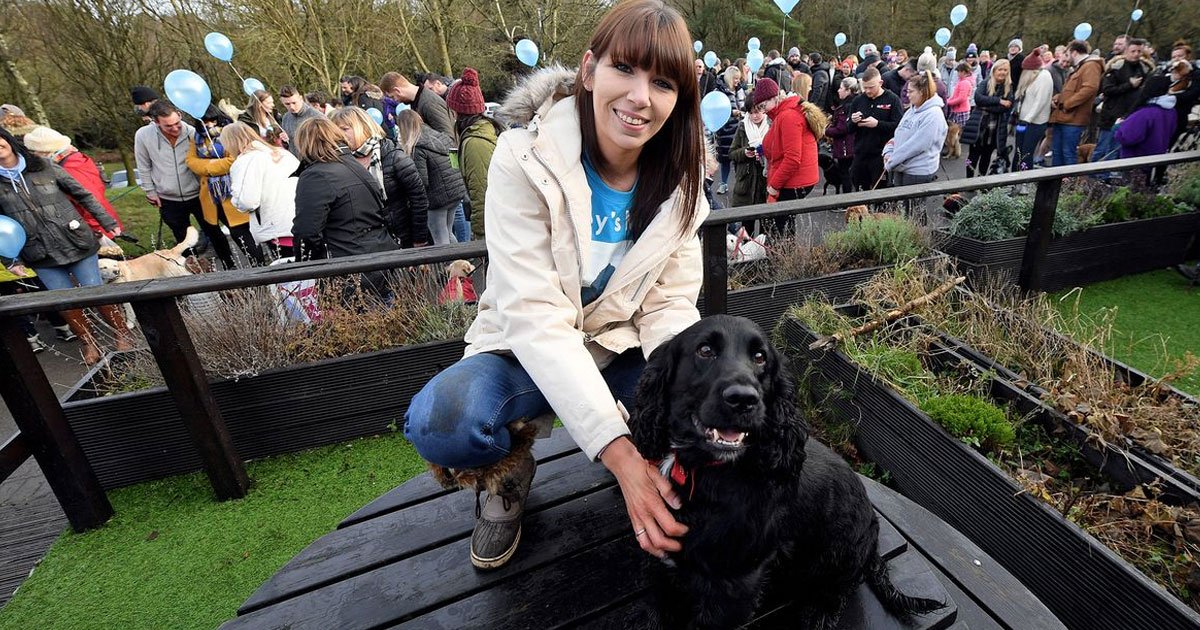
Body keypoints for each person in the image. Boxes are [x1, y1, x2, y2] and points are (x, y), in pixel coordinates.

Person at [404, 0, 707, 571]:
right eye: (626, 70)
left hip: (618, 347)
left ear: (679, 100)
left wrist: (683, 395)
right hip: (521, 348)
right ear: (589, 70)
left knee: (695, 405)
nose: (641, 97)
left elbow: (669, 306)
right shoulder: (522, 159)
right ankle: (507, 475)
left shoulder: (683, 184)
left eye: (663, 82)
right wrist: (618, 454)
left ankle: (658, 466)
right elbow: (536, 318)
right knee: (443, 421)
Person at [0, 127, 132, 364]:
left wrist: (106, 221)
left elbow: (83, 194)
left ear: (8, 140)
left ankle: (122, 333)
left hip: (75, 240)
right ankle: (89, 342)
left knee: (94, 291)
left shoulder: (42, 165)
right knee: (62, 300)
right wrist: (10, 259)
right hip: (38, 251)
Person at [290, 117, 398, 296]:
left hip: (349, 263)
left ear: (304, 143)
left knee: (359, 319)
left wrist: (308, 266)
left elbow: (307, 231)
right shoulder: (352, 163)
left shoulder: (316, 175)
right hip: (380, 253)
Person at [329, 106, 431, 249]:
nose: (340, 135)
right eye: (336, 131)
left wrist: (419, 240)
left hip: (402, 237)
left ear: (362, 127)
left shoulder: (394, 156)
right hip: (364, 243)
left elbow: (419, 199)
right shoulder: (340, 161)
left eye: (345, 129)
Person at [134, 101, 217, 249]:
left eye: (177, 123)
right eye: (168, 126)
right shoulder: (143, 136)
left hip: (198, 193)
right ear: (156, 122)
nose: (175, 128)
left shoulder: (192, 132)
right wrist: (150, 191)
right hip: (168, 198)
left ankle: (229, 264)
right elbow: (143, 165)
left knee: (214, 232)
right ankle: (191, 268)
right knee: (182, 241)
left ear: (179, 115)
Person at [188, 106, 262, 267]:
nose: (209, 125)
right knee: (223, 233)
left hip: (233, 192)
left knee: (244, 234)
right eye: (205, 122)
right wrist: (215, 166)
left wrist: (207, 167)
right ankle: (231, 267)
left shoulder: (230, 133)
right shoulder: (197, 138)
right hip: (212, 197)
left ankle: (259, 265)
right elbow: (191, 162)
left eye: (212, 121)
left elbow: (233, 159)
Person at [22, 126, 124, 238]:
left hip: (96, 228)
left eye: (34, 151)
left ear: (45, 150)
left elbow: (90, 198)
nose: (32, 155)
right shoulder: (76, 159)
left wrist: (95, 231)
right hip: (97, 224)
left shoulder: (70, 167)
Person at [221, 122, 300, 257]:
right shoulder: (282, 153)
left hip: (276, 226)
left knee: (292, 271)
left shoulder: (244, 162)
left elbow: (247, 201)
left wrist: (235, 200)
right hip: (301, 218)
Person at [758, 77, 826, 233]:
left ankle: (783, 256)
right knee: (784, 224)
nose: (763, 110)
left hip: (794, 181)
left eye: (764, 105)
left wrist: (774, 187)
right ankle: (785, 254)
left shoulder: (788, 116)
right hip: (796, 179)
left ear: (774, 98)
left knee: (781, 227)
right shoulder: (785, 113)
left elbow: (793, 159)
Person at [394, 109, 466, 245]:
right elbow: (455, 163)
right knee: (448, 232)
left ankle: (448, 264)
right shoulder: (441, 136)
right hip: (455, 191)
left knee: (440, 237)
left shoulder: (417, 147)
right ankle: (460, 262)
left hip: (437, 198)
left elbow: (422, 180)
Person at [446, 67, 503, 239]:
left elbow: (481, 193)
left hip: (493, 232)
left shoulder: (475, 143)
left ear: (456, 112)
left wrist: (479, 235)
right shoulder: (479, 134)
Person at [883, 70, 948, 186]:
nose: (907, 95)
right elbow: (899, 133)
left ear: (922, 92)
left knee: (910, 205)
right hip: (900, 167)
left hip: (917, 172)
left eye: (910, 91)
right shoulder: (912, 110)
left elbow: (917, 145)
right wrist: (888, 151)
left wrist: (892, 161)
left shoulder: (933, 115)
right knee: (898, 203)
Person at [1094, 38, 1154, 162]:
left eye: (1139, 51)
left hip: (1130, 115)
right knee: (1103, 148)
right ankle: (1092, 176)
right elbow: (1107, 90)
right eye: (1133, 51)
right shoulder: (1116, 67)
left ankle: (1110, 175)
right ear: (1126, 51)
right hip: (1112, 114)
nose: (1136, 54)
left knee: (1118, 149)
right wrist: (1129, 85)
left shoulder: (1145, 69)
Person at [848, 66, 903, 190]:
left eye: (871, 87)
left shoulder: (892, 99)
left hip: (880, 155)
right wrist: (853, 121)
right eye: (865, 87)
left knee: (880, 192)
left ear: (880, 83)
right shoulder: (858, 100)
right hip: (860, 153)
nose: (867, 91)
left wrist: (878, 124)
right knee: (860, 190)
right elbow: (849, 129)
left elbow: (899, 127)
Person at [1049, 40, 1103, 166]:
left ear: (1073, 52)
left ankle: (1069, 185)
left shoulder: (1091, 66)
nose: (1066, 59)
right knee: (1057, 152)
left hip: (1073, 119)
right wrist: (1058, 98)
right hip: (1063, 117)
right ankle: (1055, 184)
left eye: (1067, 54)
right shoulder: (1081, 67)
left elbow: (1090, 88)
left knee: (1068, 153)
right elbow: (1073, 89)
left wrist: (1067, 104)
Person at [963, 59, 1014, 176]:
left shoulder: (1008, 87)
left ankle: (981, 178)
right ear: (994, 70)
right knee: (972, 155)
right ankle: (968, 180)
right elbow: (978, 98)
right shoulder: (986, 83)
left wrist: (986, 107)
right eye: (1000, 69)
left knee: (987, 155)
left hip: (995, 129)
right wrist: (999, 101)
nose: (1002, 72)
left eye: (1005, 70)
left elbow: (1006, 107)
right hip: (979, 127)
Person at [1115, 74, 1178, 167]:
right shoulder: (1171, 111)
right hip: (1157, 158)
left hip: (1136, 161)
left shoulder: (1144, 114)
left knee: (1131, 182)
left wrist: (1118, 127)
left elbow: (1127, 138)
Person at [728, 88, 771, 207]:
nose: (754, 116)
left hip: (766, 181)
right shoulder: (743, 126)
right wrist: (744, 152)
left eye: (757, 112)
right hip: (746, 182)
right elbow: (732, 153)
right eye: (751, 113)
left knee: (766, 222)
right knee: (746, 222)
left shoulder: (772, 126)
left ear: (764, 110)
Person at [379, 72, 455, 138]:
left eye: (392, 97)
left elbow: (449, 139)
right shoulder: (417, 103)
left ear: (397, 90)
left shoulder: (429, 103)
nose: (395, 101)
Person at [1014, 53, 1054, 170]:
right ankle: (1013, 179)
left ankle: (1025, 183)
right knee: (1018, 152)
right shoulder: (1032, 78)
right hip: (1023, 121)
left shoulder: (1044, 77)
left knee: (1026, 154)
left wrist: (1028, 119)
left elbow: (1040, 102)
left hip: (1034, 123)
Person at [824, 77, 860, 194]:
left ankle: (846, 201)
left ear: (849, 90)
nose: (838, 91)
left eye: (841, 88)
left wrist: (825, 131)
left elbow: (842, 129)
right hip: (852, 144)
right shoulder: (854, 103)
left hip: (846, 146)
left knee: (845, 174)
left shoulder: (846, 107)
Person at [279, 85, 322, 158]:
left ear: (301, 98)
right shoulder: (286, 118)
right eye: (287, 104)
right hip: (295, 162)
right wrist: (284, 140)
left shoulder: (317, 116)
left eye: (294, 103)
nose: (291, 107)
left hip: (315, 161)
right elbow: (288, 145)